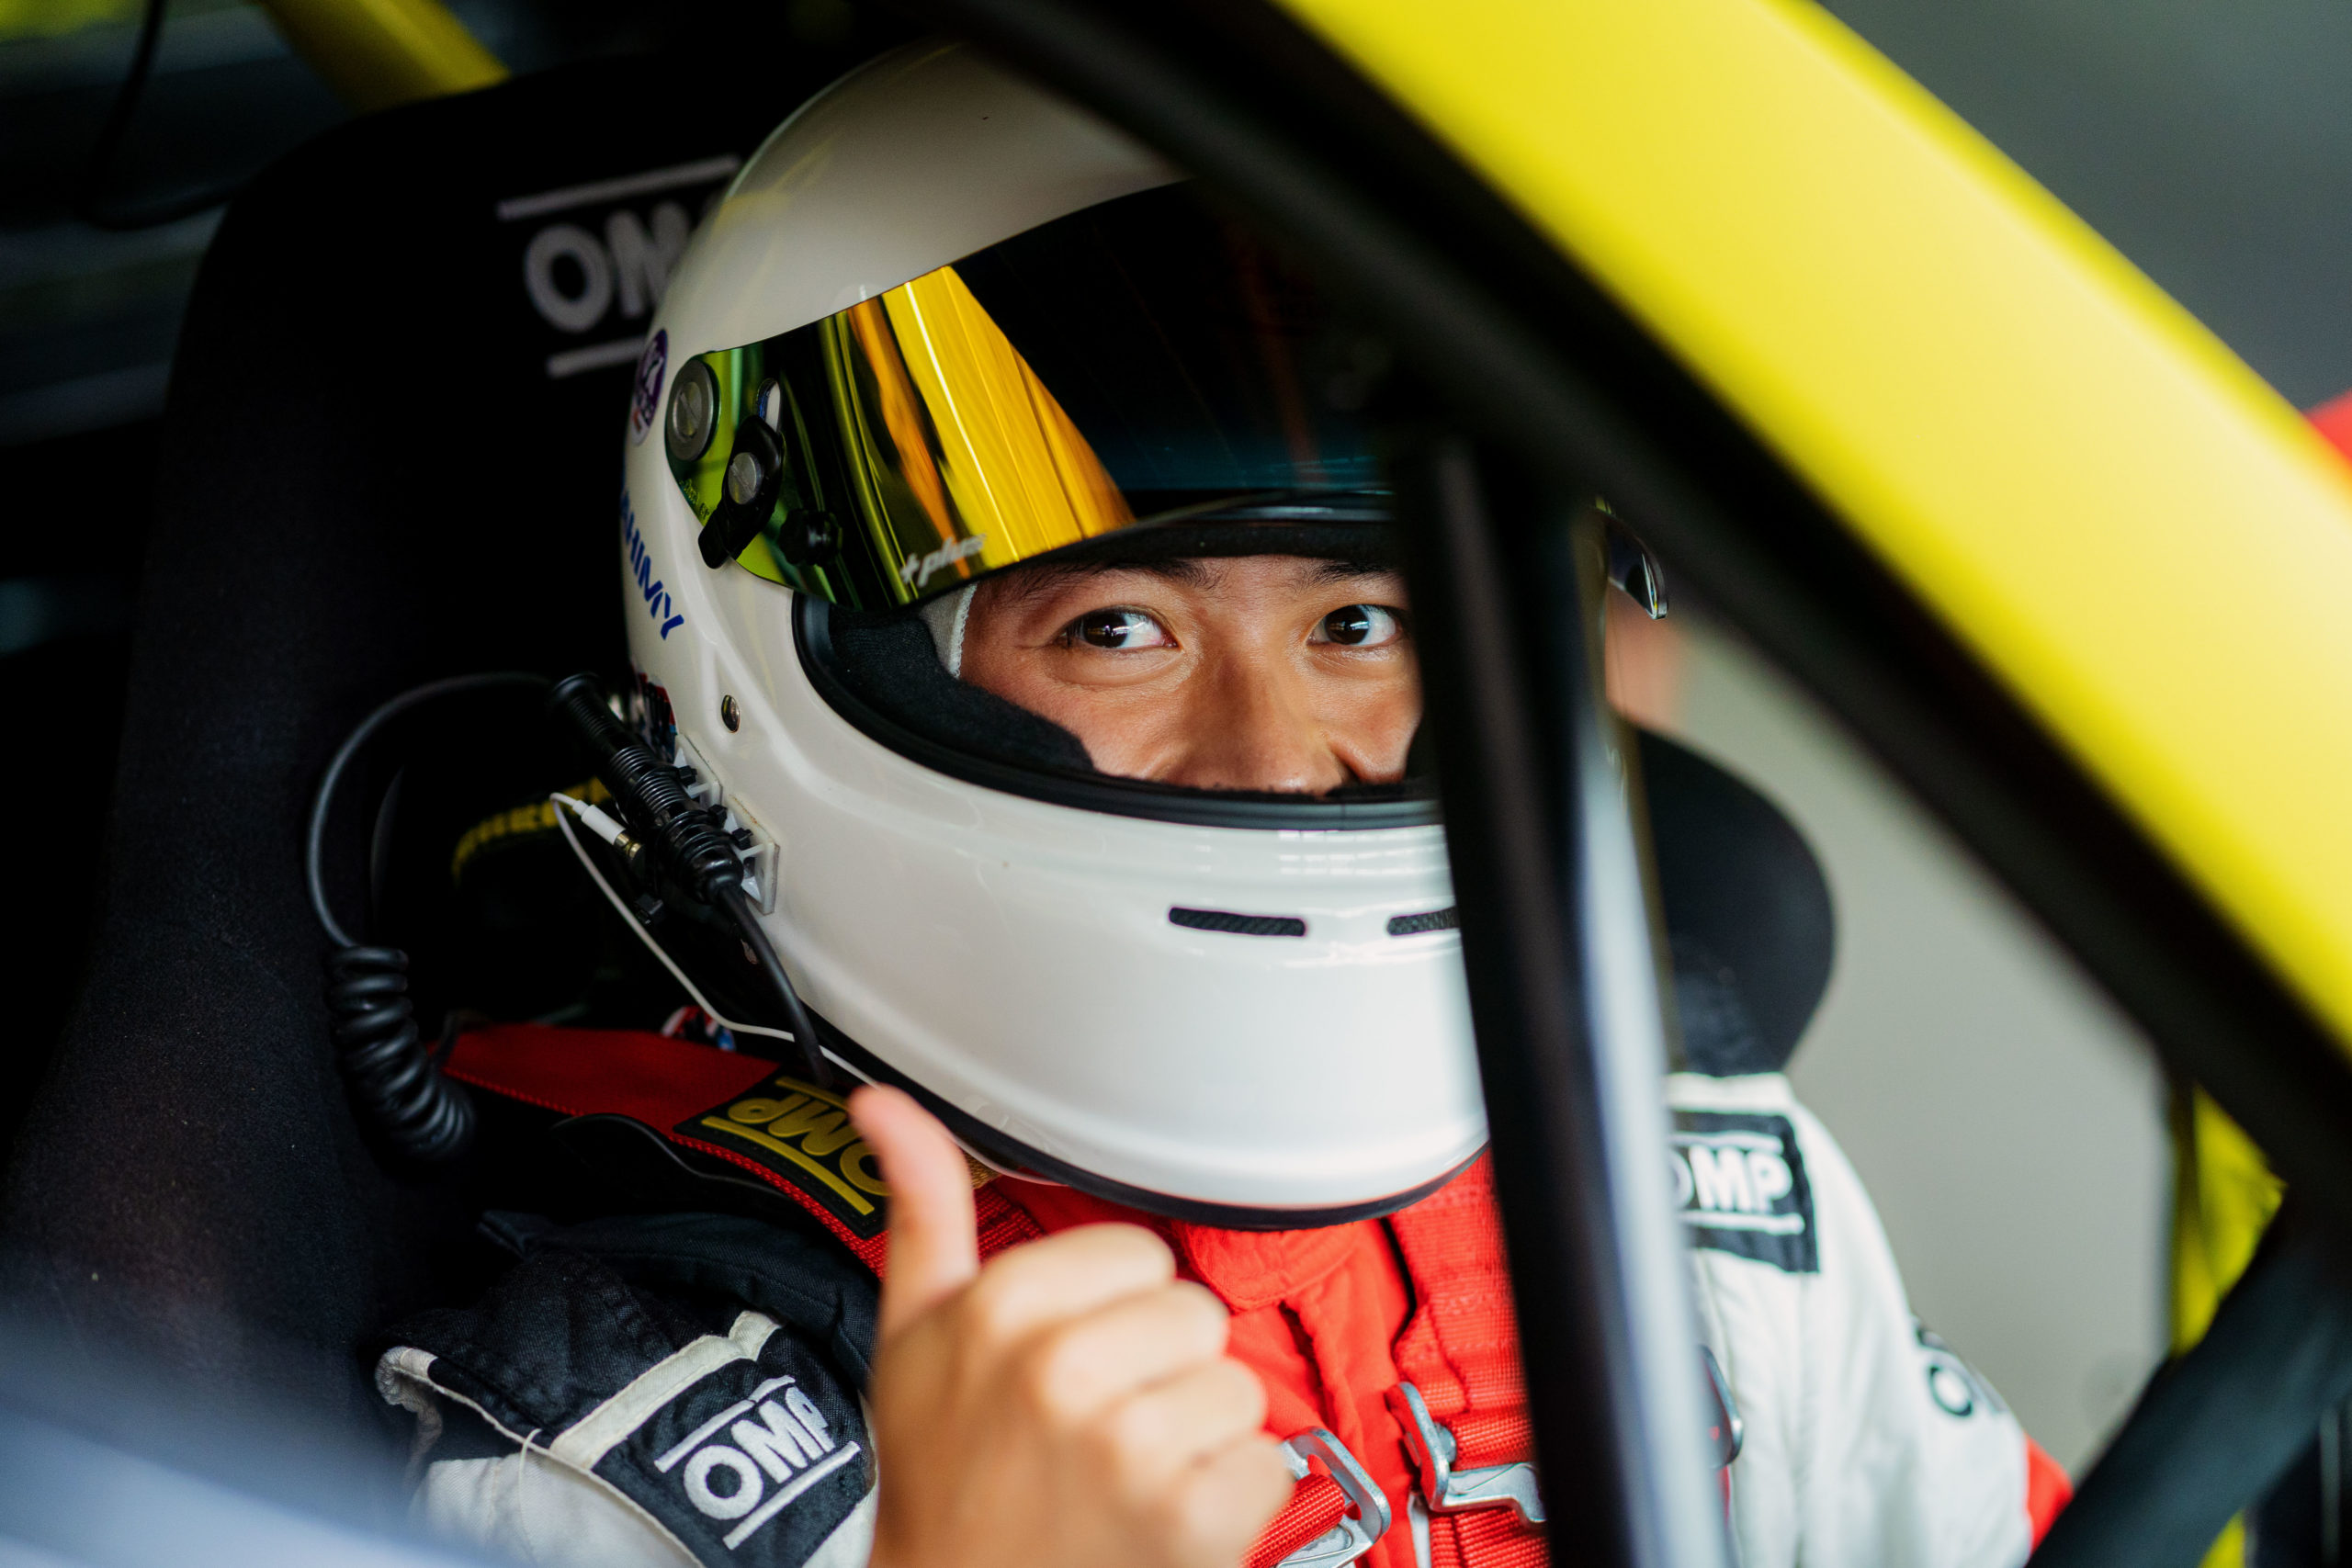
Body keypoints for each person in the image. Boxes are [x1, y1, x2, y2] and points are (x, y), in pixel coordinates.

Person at [368, 39, 2066, 1568]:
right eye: (1120, 630)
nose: (1277, 756)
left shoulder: (1703, 1189)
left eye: (1360, 625)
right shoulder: (637, 1459)